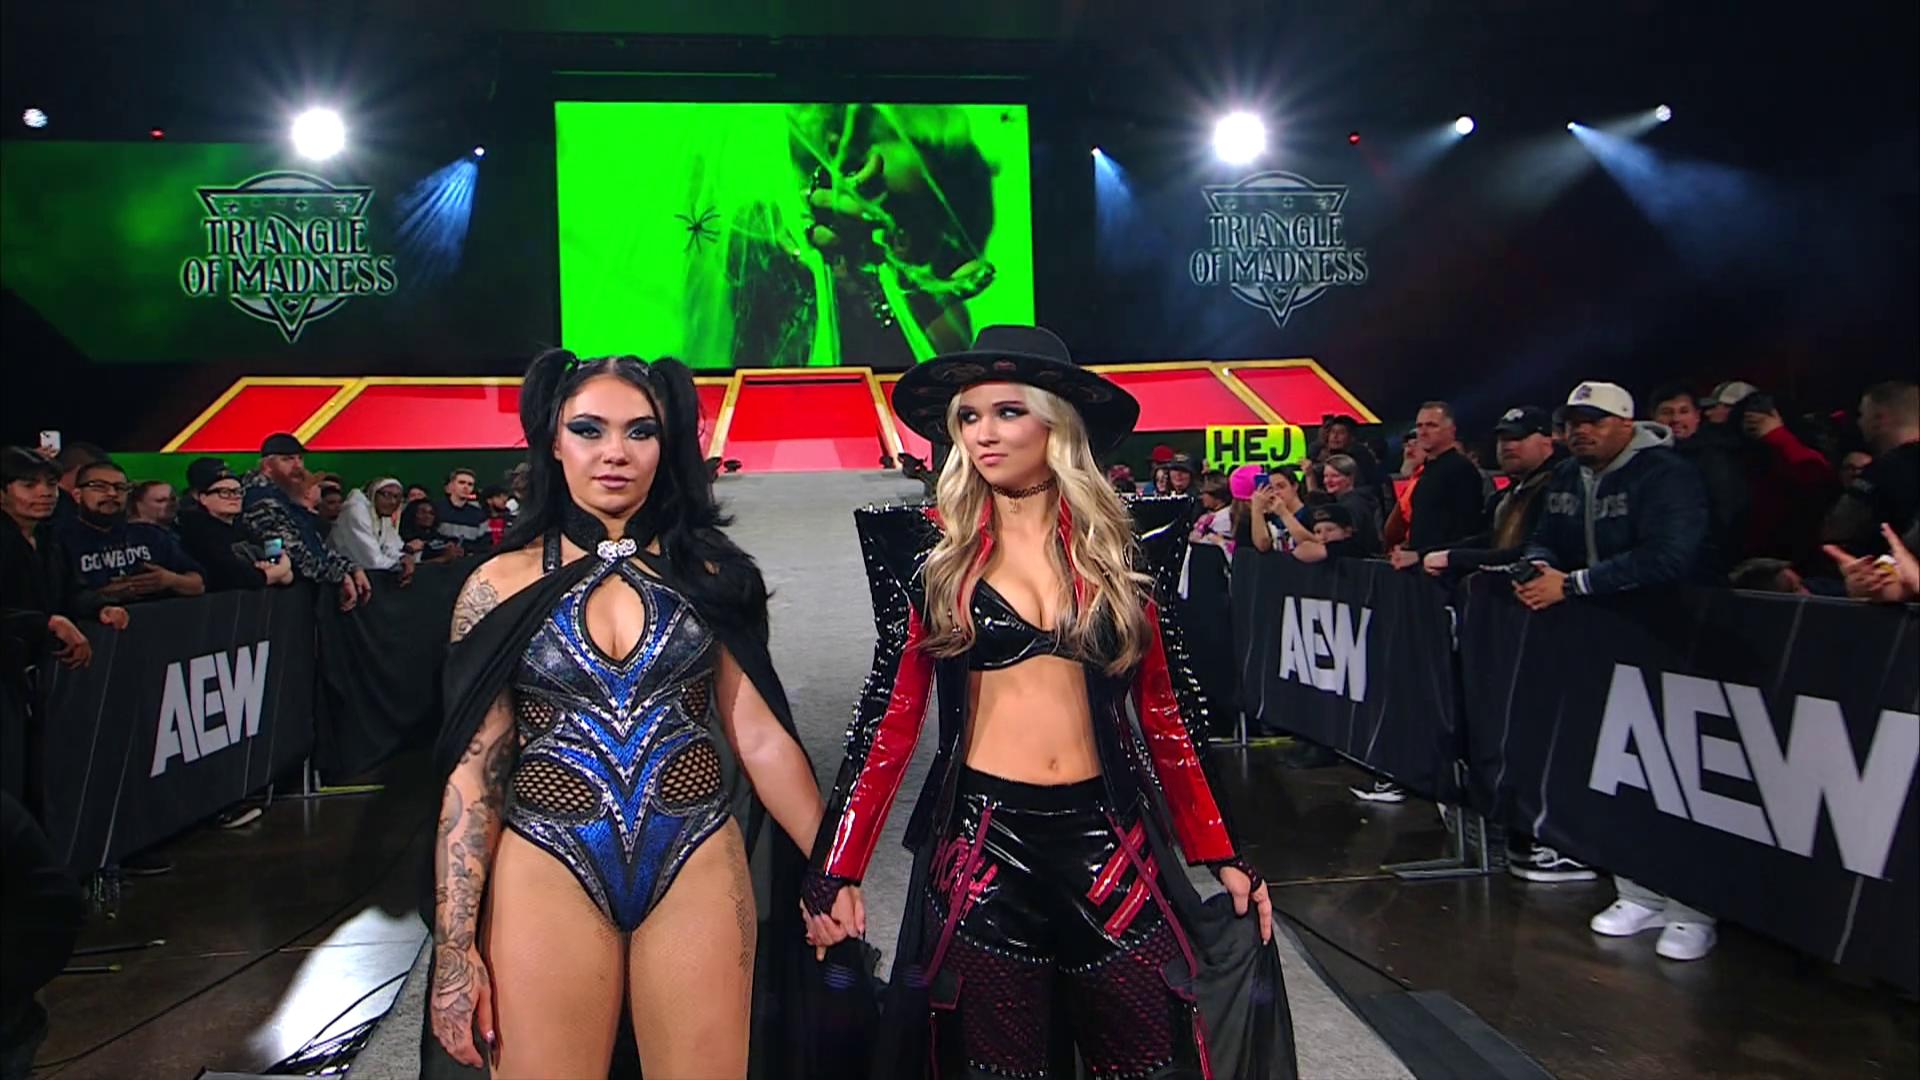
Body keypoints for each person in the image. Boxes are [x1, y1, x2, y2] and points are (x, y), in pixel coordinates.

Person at [805, 325, 1292, 1078]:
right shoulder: (927, 551)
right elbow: (889, 716)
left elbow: (1165, 709)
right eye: (969, 417)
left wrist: (1223, 851)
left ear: (1056, 423)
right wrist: (837, 866)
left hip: (1111, 842)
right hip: (983, 847)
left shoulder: (1126, 543)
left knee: (1147, 1059)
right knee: (996, 1069)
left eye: (1008, 412)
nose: (983, 434)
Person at [426, 350, 852, 1078]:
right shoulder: (497, 586)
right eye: (589, 429)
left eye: (640, 431)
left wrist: (832, 868)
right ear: (553, 440)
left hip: (694, 855)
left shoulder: (713, 575)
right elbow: (475, 775)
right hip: (546, 861)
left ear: (668, 444)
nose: (615, 452)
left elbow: (760, 737)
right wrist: (455, 946)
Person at [1517, 382, 1717, 961]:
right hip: (1600, 642)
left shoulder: (1664, 474)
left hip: (1673, 639)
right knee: (1615, 770)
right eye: (1573, 421)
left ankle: (1692, 907)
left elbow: (1670, 555)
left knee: (1676, 776)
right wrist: (1538, 567)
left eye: (1595, 421)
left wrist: (1574, 584)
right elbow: (1543, 538)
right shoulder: (1565, 476)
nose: (1580, 431)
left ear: (1626, 424)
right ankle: (1638, 891)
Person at [174, 459, 294, 592]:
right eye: (224, 492)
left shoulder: (242, 526)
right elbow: (235, 577)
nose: (234, 497)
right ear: (202, 497)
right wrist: (280, 570)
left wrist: (279, 571)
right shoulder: (198, 533)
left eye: (238, 491)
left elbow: (279, 559)